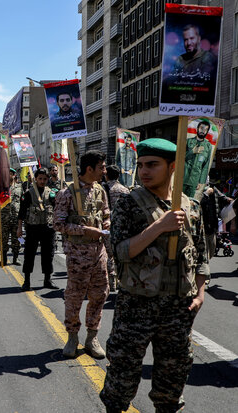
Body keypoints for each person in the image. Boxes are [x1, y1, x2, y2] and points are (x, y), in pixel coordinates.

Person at [100, 138, 209, 413]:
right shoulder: (129, 204)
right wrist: (159, 226)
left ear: (172, 167)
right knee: (121, 376)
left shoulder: (191, 206)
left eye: (152, 165)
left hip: (177, 307)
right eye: (140, 165)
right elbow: (120, 251)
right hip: (136, 305)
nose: (144, 171)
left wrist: (200, 293)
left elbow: (201, 254)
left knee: (172, 379)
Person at [54, 150, 110, 359]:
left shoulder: (100, 191)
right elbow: (58, 224)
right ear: (89, 168)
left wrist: (106, 225)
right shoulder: (67, 193)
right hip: (78, 256)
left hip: (99, 254)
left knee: (99, 295)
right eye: (101, 167)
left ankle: (92, 337)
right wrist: (84, 231)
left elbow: (105, 213)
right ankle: (72, 337)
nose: (104, 171)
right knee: (75, 296)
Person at [17, 168, 59, 290]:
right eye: (40, 179)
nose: (42, 181)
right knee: (29, 254)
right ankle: (27, 281)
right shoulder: (28, 194)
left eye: (45, 179)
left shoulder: (51, 193)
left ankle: (47, 280)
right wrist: (19, 228)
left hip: (48, 228)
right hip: (32, 228)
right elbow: (22, 212)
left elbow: (57, 210)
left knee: (48, 254)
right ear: (35, 179)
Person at [103, 165, 130, 292]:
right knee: (121, 254)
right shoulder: (125, 190)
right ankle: (121, 281)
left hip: (107, 225)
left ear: (106, 175)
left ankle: (111, 282)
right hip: (123, 226)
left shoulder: (103, 189)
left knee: (109, 255)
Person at [184, 119, 213, 198]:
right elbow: (180, 158)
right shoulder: (188, 141)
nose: (202, 131)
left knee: (189, 202)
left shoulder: (208, 146)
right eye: (201, 128)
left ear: (207, 132)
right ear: (197, 128)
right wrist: (192, 151)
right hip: (183, 177)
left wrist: (201, 181)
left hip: (194, 180)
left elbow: (205, 166)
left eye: (205, 129)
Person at [1, 169, 22, 266]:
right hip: (4, 217)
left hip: (16, 218)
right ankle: (4, 258)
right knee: (4, 239)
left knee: (16, 239)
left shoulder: (20, 187)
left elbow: (23, 202)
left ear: (14, 175)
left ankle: (15, 257)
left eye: (10, 174)